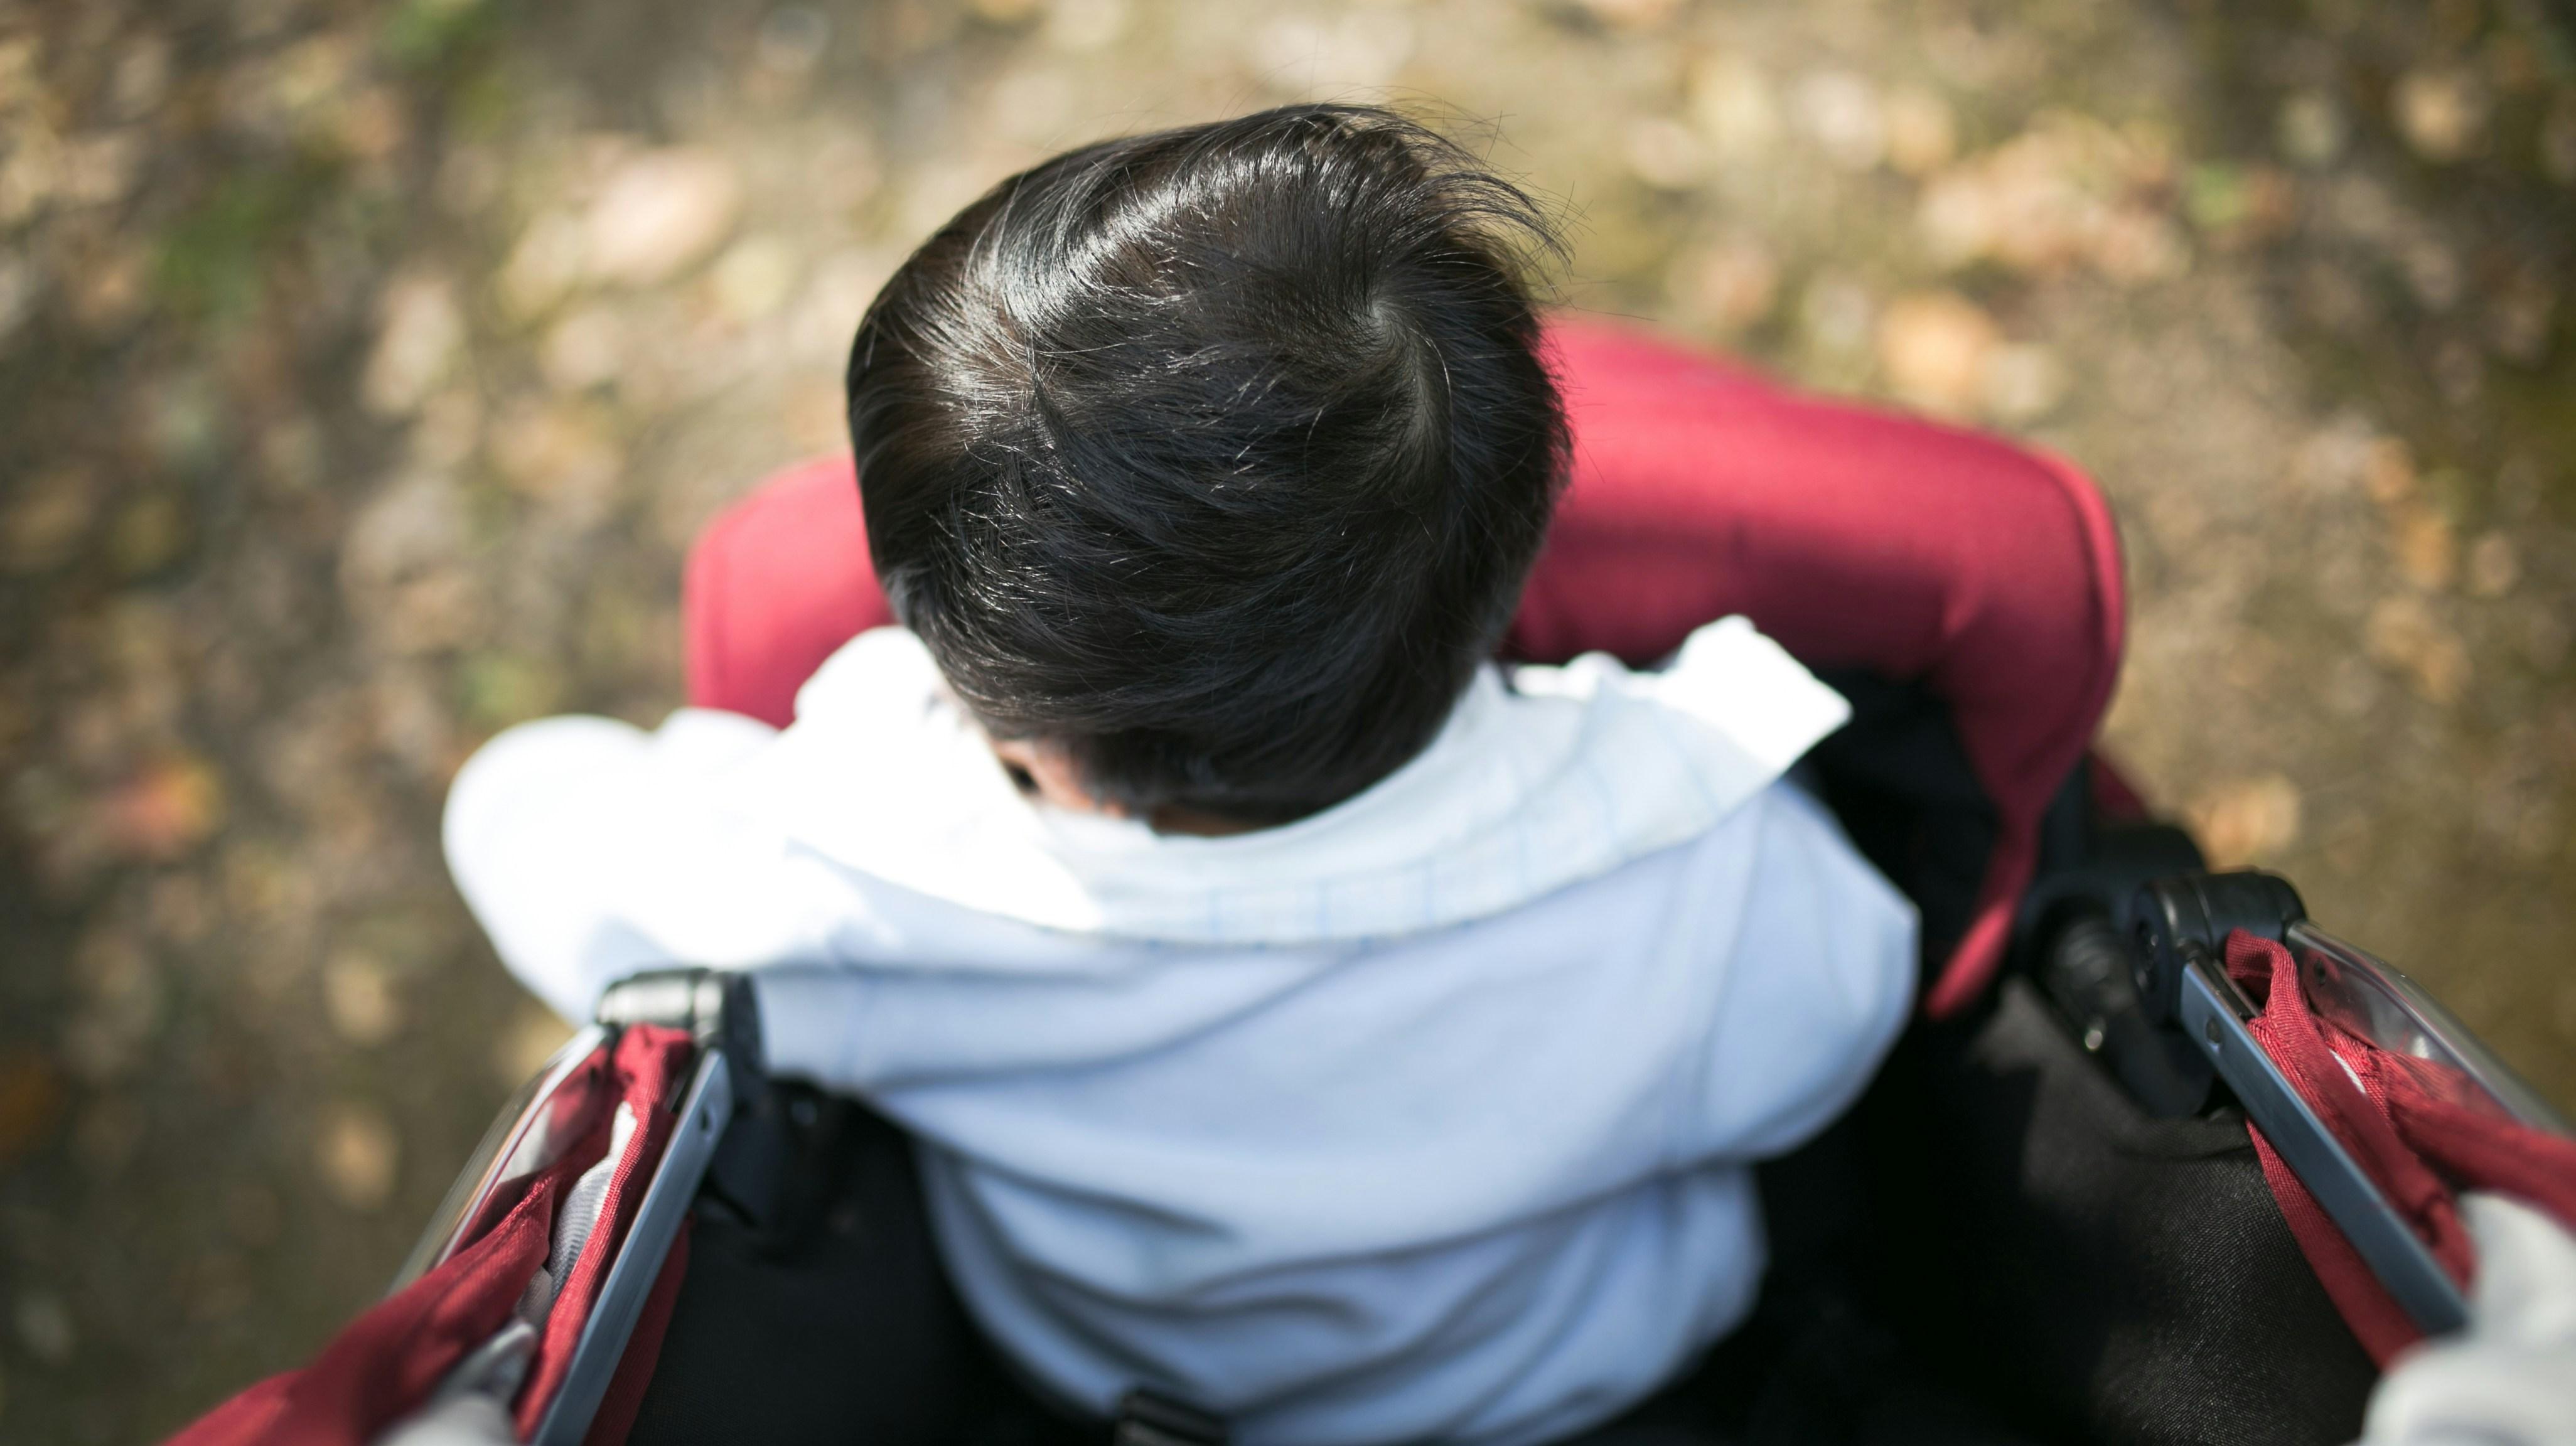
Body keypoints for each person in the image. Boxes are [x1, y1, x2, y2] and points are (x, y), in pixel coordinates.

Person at [444, 105, 1918, 1446]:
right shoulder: (1684, 841)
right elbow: (1848, 1012)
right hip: (1578, 1389)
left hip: (1110, 1394)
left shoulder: (862, 869)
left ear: (1017, 718)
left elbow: (522, 817)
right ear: (1519, 556)